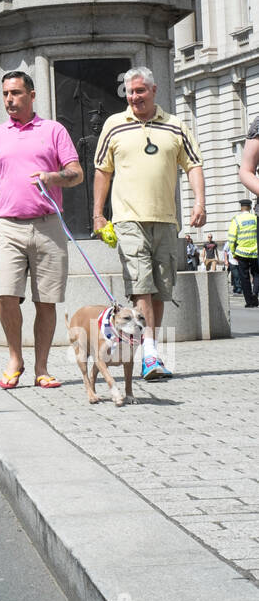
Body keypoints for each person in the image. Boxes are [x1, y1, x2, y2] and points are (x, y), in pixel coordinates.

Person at [93, 66, 205, 385]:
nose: (134, 97)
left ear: (154, 90)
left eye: (140, 90)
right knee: (141, 285)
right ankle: (151, 354)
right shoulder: (114, 126)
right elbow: (102, 170)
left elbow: (193, 164)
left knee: (160, 289)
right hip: (128, 219)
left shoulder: (175, 127)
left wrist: (199, 203)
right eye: (130, 92)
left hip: (166, 220)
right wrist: (98, 214)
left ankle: (144, 349)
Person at [0, 70, 83, 389]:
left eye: (16, 93)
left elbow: (75, 173)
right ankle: (14, 358)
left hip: (48, 225)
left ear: (32, 95)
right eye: (6, 93)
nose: (10, 99)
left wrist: (52, 177)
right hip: (8, 226)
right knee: (6, 294)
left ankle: (42, 367)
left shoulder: (53, 130)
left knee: (45, 301)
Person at [228, 198, 259, 307]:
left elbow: (231, 238)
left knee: (244, 277)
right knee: (256, 274)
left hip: (241, 253)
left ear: (241, 208)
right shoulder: (255, 218)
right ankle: (255, 293)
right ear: (250, 207)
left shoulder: (236, 219)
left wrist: (233, 252)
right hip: (255, 252)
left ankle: (249, 301)